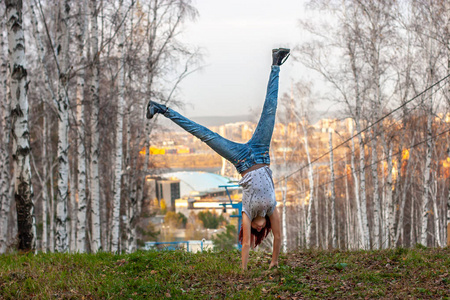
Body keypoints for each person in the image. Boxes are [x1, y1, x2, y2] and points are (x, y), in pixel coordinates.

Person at [146, 48, 290, 270]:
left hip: (241, 160)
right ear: (266, 225)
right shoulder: (272, 209)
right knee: (270, 110)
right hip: (261, 152)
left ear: (250, 228)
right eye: (263, 230)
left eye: (256, 231)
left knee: (205, 134)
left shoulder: (247, 212)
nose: (260, 229)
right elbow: (279, 238)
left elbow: (245, 247)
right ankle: (276, 63)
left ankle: (160, 109)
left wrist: (243, 272)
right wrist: (274, 261)